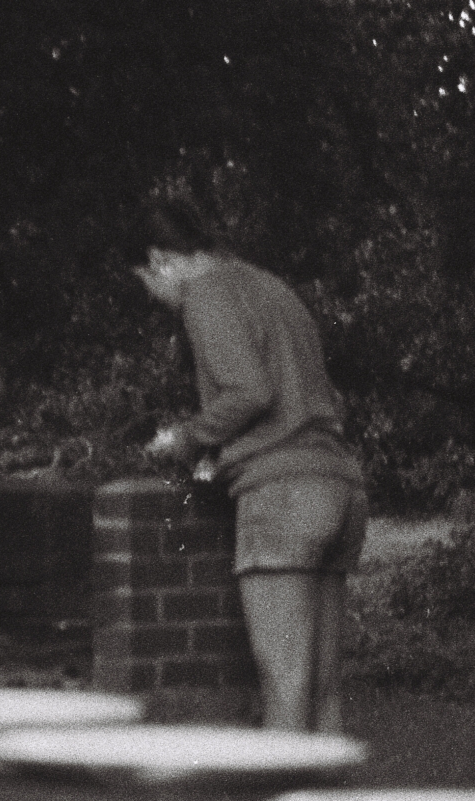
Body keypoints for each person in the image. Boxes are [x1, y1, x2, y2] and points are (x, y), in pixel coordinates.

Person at [133, 193, 366, 734]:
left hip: (282, 496)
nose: (155, 297)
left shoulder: (205, 294)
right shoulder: (270, 287)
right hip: (339, 486)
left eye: (146, 283)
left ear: (160, 259)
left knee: (283, 684)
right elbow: (314, 394)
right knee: (321, 691)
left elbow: (250, 391)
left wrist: (187, 438)